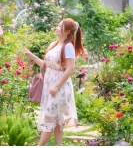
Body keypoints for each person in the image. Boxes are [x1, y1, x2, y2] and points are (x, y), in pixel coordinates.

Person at [23, 18, 86, 146]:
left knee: (49, 117)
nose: (56, 28)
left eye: (59, 26)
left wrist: (56, 86)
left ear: (67, 31)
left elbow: (70, 69)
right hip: (50, 85)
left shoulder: (68, 47)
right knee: (57, 120)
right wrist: (32, 56)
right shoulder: (54, 44)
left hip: (60, 87)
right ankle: (59, 145)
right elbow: (46, 65)